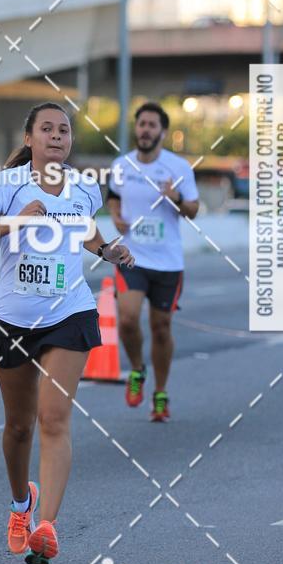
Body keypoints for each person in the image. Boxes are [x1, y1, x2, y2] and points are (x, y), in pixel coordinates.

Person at [0, 102, 133, 564]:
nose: (57, 136)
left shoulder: (83, 189)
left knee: (54, 420)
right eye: (47, 129)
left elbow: (85, 229)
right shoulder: (7, 185)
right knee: (19, 427)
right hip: (13, 317)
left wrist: (109, 249)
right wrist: (18, 220)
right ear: (29, 138)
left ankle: (47, 526)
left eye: (64, 130)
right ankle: (21, 506)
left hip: (68, 312)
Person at [106, 102, 199, 422]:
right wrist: (116, 216)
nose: (145, 129)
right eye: (141, 124)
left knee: (161, 329)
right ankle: (136, 370)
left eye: (151, 125)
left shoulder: (179, 167)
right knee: (128, 319)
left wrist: (175, 197)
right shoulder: (122, 164)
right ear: (137, 129)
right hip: (132, 257)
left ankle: (160, 393)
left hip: (168, 262)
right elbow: (113, 195)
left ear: (162, 131)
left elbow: (194, 210)